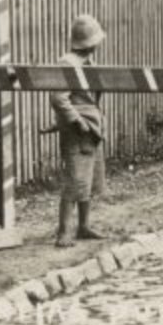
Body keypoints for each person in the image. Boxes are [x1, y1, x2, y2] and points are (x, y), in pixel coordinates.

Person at [51, 13, 107, 246]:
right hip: (78, 131)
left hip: (92, 130)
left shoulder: (88, 63)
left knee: (90, 177)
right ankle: (64, 231)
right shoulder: (68, 63)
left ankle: (83, 226)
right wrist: (77, 121)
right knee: (74, 179)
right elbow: (58, 97)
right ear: (90, 42)